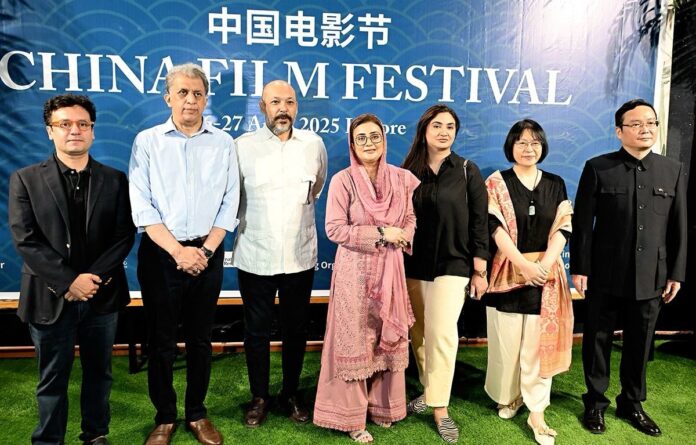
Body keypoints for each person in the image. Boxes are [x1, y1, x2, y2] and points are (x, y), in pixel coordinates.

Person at [8, 94, 135, 445]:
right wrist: (69, 282)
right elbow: (25, 239)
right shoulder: (25, 179)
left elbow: (123, 235)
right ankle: (49, 440)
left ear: (92, 131)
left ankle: (95, 434)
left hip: (101, 295)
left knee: (100, 374)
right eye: (64, 124)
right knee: (52, 378)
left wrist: (91, 280)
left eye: (82, 124)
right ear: (50, 131)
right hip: (49, 297)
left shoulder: (115, 179)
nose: (74, 130)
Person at [129, 63, 240, 445]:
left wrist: (204, 251)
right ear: (168, 98)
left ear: (206, 99)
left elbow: (230, 201)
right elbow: (141, 204)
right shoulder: (148, 141)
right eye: (182, 93)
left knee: (200, 339)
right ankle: (164, 416)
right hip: (161, 254)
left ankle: (196, 413)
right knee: (160, 341)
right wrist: (178, 251)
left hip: (207, 253)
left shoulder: (223, 143)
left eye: (197, 93)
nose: (190, 100)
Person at [570, 99, 687, 437]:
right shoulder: (598, 168)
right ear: (619, 131)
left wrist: (676, 273)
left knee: (641, 341)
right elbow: (583, 224)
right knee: (597, 339)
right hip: (605, 272)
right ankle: (595, 402)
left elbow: (679, 226)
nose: (645, 129)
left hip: (653, 273)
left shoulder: (672, 169)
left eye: (651, 123)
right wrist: (580, 268)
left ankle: (632, 403)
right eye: (636, 124)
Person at [313, 114, 419, 443]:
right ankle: (351, 417)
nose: (369, 143)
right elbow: (334, 229)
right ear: (352, 144)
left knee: (386, 338)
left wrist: (404, 234)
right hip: (354, 273)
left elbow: (410, 218)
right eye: (361, 138)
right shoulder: (343, 181)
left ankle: (382, 408)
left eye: (375, 136)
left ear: (384, 141)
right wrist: (382, 232)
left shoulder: (402, 179)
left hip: (391, 270)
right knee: (355, 342)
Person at [232, 80, 328, 428]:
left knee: (295, 330)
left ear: (297, 107)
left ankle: (290, 393)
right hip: (255, 254)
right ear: (262, 107)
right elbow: (233, 197)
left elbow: (316, 188)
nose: (283, 109)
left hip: (299, 256)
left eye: (289, 102)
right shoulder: (242, 147)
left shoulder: (313, 145)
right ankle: (259, 397)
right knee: (256, 332)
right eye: (275, 102)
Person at [401, 104, 489, 443]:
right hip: (413, 264)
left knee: (442, 334)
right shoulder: (407, 171)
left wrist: (479, 269)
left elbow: (480, 222)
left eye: (450, 126)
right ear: (424, 130)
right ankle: (428, 390)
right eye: (437, 125)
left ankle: (440, 408)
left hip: (454, 264)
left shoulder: (467, 170)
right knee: (419, 334)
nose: (444, 132)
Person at [484, 119, 574, 445]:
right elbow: (494, 228)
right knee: (506, 345)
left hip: (545, 277)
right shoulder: (496, 183)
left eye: (535, 142)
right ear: (511, 146)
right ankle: (510, 396)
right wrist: (522, 264)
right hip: (507, 272)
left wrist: (543, 266)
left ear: (543, 146)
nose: (528, 148)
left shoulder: (555, 183)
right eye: (521, 142)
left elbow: (563, 227)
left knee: (538, 348)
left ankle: (537, 411)